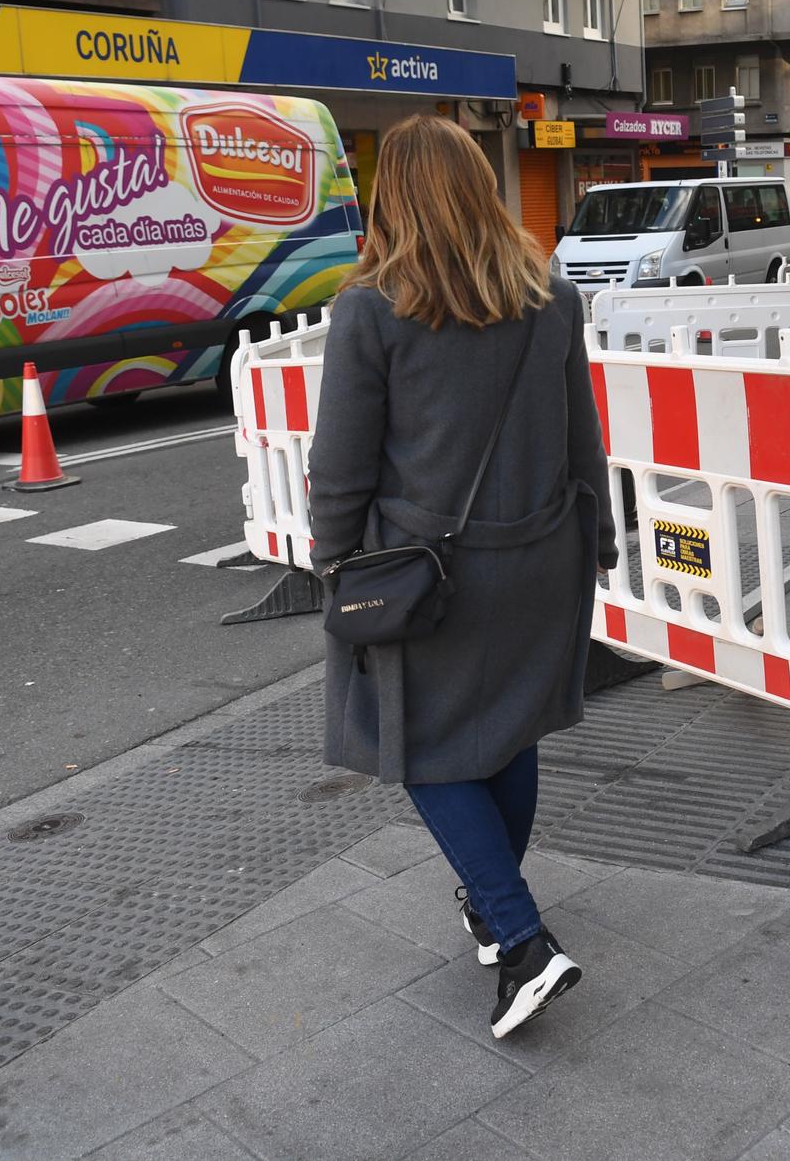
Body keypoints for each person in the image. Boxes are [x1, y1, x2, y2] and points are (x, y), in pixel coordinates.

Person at [308, 115, 615, 1040]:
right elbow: (581, 438)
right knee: (505, 730)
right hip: (542, 558)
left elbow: (343, 465)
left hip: (428, 573)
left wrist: (332, 563)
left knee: (420, 744)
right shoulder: (549, 294)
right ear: (480, 188)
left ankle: (521, 939)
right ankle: (494, 907)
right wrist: (596, 542)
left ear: (393, 196)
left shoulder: (371, 308)